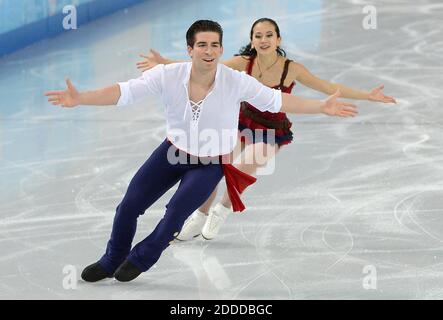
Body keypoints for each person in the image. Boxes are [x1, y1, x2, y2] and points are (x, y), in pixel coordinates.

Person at [45, 20, 357, 283]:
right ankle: (112, 259)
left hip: (209, 164)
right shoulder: (168, 75)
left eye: (214, 45)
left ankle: (141, 259)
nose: (209, 51)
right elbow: (124, 92)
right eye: (202, 45)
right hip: (171, 154)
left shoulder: (236, 81)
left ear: (221, 50)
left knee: (174, 216)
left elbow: (277, 102)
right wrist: (82, 98)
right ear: (190, 50)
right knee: (128, 206)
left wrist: (321, 106)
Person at [136, 18, 396, 241]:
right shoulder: (243, 62)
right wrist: (165, 63)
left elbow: (326, 87)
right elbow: (202, 65)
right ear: (251, 40)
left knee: (241, 169)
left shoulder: (291, 69)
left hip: (271, 129)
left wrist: (367, 96)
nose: (263, 40)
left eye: (269, 35)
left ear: (278, 39)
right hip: (239, 121)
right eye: (258, 36)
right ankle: (199, 214)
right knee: (216, 167)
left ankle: (221, 212)